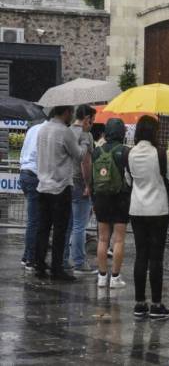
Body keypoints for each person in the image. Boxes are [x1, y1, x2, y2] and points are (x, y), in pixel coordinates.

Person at [126, 116, 169, 320]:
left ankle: (140, 303)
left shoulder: (130, 153)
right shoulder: (159, 154)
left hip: (137, 208)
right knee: (156, 257)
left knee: (141, 255)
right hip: (158, 210)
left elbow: (127, 179)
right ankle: (156, 304)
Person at [34, 105, 91, 281]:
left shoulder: (42, 129)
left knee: (43, 228)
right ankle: (57, 269)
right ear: (65, 112)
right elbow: (80, 155)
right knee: (60, 230)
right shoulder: (64, 132)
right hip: (60, 187)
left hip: (43, 185)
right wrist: (85, 137)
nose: (71, 115)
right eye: (70, 113)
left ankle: (40, 264)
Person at [93, 118, 130, 289]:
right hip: (120, 197)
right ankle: (115, 277)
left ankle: (101, 277)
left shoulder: (97, 151)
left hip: (101, 197)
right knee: (119, 240)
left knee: (102, 238)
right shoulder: (125, 151)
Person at [63, 104, 97, 275]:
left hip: (66, 182)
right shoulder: (86, 135)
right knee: (79, 225)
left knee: (67, 224)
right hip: (79, 183)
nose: (92, 125)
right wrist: (88, 185)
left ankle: (64, 259)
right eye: (92, 121)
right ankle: (79, 262)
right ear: (87, 119)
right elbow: (86, 162)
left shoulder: (67, 131)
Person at [18, 119, 46, 271]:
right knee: (35, 220)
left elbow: (24, 151)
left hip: (24, 173)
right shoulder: (45, 131)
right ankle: (30, 258)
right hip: (35, 175)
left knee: (34, 219)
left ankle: (27, 255)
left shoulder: (33, 129)